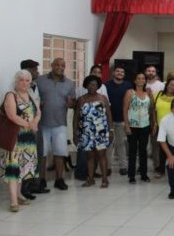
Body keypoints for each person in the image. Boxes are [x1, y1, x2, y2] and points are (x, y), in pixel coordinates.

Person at [1, 70, 41, 212]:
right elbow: (12, 116)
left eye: (27, 80)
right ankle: (13, 200)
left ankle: (18, 194)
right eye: (21, 80)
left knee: (24, 167)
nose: (24, 83)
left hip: (28, 138)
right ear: (16, 81)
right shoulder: (11, 95)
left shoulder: (30, 95)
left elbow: (38, 112)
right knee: (13, 168)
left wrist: (35, 121)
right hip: (15, 137)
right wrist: (29, 124)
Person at [36, 58, 76, 191]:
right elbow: (32, 98)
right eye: (57, 65)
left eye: (63, 65)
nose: (60, 67)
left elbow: (73, 102)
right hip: (42, 123)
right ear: (51, 65)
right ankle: (41, 180)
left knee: (60, 152)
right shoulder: (40, 80)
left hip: (60, 124)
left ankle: (59, 179)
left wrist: (71, 104)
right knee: (42, 153)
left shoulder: (70, 83)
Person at [73, 75, 113, 188]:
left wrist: (111, 130)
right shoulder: (81, 99)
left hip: (101, 131)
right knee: (89, 156)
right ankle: (90, 179)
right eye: (90, 84)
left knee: (101, 155)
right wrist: (75, 133)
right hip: (86, 133)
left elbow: (109, 115)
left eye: (95, 84)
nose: (92, 86)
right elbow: (76, 118)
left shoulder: (103, 98)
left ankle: (105, 179)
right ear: (86, 85)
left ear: (98, 86)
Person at [19, 59, 45, 197]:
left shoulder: (35, 85)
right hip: (26, 127)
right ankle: (25, 188)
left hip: (37, 124)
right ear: (27, 70)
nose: (38, 72)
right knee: (27, 157)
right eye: (35, 70)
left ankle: (35, 184)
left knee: (38, 154)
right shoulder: (20, 87)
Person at [123, 72, 155, 184]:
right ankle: (131, 176)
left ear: (145, 81)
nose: (141, 80)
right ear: (135, 80)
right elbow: (125, 109)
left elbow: (151, 109)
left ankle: (144, 174)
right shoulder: (130, 93)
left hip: (145, 126)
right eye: (138, 78)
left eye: (143, 78)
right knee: (132, 151)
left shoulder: (148, 93)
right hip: (132, 126)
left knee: (143, 151)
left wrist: (153, 123)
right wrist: (126, 126)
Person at [105, 65, 132, 176]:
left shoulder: (128, 85)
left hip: (122, 120)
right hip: (108, 120)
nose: (120, 73)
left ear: (124, 74)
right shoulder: (106, 85)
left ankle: (123, 166)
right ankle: (108, 167)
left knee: (121, 144)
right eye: (118, 71)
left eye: (122, 71)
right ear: (113, 73)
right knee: (109, 144)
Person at [153, 79, 174, 178]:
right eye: (170, 84)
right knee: (162, 149)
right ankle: (161, 169)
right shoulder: (158, 95)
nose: (172, 87)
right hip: (161, 127)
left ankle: (172, 167)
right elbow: (154, 109)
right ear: (167, 85)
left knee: (173, 148)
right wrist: (155, 123)